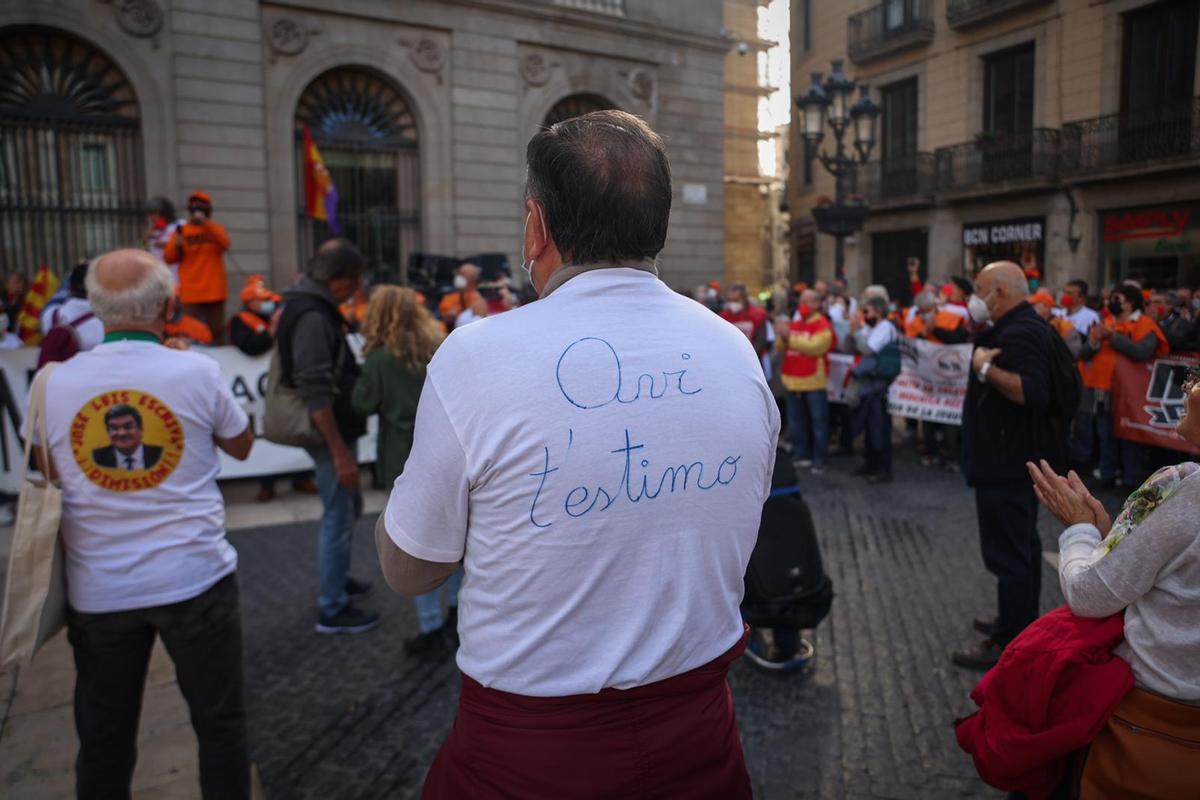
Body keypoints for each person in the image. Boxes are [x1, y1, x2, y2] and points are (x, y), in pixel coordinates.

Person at [376, 110, 776, 797]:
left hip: (531, 758)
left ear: (537, 227)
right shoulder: (733, 349)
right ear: (658, 223)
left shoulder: (477, 355)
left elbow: (412, 572)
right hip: (702, 743)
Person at [34, 249, 255, 799]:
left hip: (100, 591)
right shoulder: (197, 370)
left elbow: (48, 474)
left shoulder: (53, 384)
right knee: (220, 728)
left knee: (104, 742)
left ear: (95, 308)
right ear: (169, 306)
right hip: (195, 580)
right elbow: (243, 446)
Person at [1026, 363, 1200, 798]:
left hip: (1153, 721)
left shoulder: (1189, 494)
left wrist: (1080, 529)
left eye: (1197, 379)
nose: (1188, 385)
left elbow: (1090, 594)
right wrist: (1113, 539)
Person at [952, 261, 1064, 670]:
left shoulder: (1021, 332)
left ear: (999, 293)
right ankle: (1019, 624)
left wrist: (984, 366)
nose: (974, 299)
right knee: (1022, 550)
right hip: (1011, 461)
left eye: (979, 289)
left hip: (1007, 466)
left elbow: (1030, 390)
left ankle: (1011, 644)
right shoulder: (1020, 326)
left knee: (1010, 557)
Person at [350, 286, 462, 655]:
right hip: (447, 450)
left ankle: (430, 626)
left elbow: (362, 402)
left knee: (416, 544)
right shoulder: (438, 346)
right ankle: (456, 614)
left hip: (403, 454)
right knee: (458, 541)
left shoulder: (381, 359)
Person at [277, 238, 376, 634]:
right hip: (330, 435)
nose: (357, 290)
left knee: (346, 509)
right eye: (354, 281)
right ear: (336, 280)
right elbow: (315, 390)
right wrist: (339, 453)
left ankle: (339, 581)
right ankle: (331, 607)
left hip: (334, 431)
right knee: (338, 515)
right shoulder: (313, 316)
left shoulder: (312, 308)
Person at [230, 274, 318, 503]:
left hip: (280, 382)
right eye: (263, 300)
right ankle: (267, 483)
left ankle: (301, 476)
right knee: (267, 434)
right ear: (250, 302)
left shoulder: (276, 316)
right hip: (257, 389)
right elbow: (249, 347)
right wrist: (273, 333)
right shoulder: (240, 321)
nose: (269, 304)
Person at [1077, 284, 1169, 487]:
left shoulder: (1145, 325)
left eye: (1116, 299)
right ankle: (1107, 472)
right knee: (1105, 433)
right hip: (1103, 389)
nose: (1110, 303)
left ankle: (1131, 478)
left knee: (1130, 436)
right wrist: (1094, 341)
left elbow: (1141, 352)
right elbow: (1083, 354)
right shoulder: (1106, 322)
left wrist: (1112, 337)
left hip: (1131, 392)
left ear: (1130, 302)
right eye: (1110, 299)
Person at [163, 191, 230, 345]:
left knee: (217, 331)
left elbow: (225, 243)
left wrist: (205, 223)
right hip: (191, 292)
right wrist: (176, 245)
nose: (197, 207)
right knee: (190, 331)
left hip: (214, 290)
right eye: (194, 204)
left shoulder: (214, 229)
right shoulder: (181, 231)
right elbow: (169, 257)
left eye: (201, 204)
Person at [783, 289, 833, 475]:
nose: (803, 304)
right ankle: (801, 454)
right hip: (792, 380)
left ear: (817, 304)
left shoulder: (822, 324)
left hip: (813, 381)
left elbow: (817, 347)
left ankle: (820, 459)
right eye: (801, 300)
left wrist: (791, 338)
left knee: (818, 423)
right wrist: (783, 335)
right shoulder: (795, 323)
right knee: (797, 422)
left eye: (808, 301)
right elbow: (782, 346)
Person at [850, 296, 898, 483]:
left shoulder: (885, 327)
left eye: (867, 312)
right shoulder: (874, 328)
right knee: (870, 428)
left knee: (879, 428)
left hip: (878, 385)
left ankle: (883, 468)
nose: (865, 316)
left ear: (878, 312)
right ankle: (870, 463)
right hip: (869, 384)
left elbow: (868, 349)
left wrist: (856, 332)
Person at [39, 259, 104, 353]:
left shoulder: (50, 315)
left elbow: (55, 299)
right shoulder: (106, 323)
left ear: (70, 287)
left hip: (57, 368)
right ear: (98, 289)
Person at [721, 283, 770, 361]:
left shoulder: (758, 314)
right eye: (730, 300)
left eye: (736, 300)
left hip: (754, 358)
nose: (732, 303)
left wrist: (748, 356)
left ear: (744, 299)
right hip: (731, 358)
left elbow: (761, 340)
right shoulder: (724, 316)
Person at [143, 196, 185, 274]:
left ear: (165, 213)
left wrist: (166, 244)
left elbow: (182, 243)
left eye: (154, 213)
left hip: (175, 272)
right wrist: (145, 239)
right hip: (159, 271)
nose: (151, 217)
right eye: (150, 214)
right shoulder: (155, 230)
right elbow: (145, 248)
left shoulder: (179, 224)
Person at [437, 263, 481, 330]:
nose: (459, 277)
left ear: (473, 279)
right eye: (459, 274)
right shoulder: (449, 296)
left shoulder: (478, 298)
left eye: (463, 275)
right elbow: (443, 317)